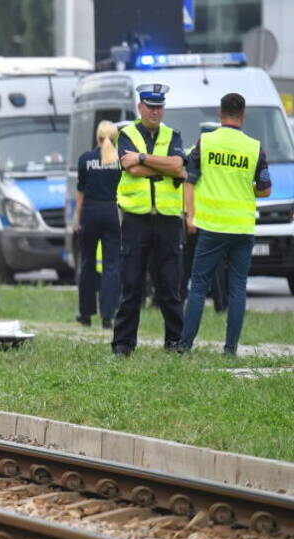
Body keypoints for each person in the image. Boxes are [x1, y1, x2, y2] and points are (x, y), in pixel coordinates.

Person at [177, 93, 271, 355]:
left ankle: (185, 346)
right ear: (243, 115)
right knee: (238, 287)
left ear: (220, 114)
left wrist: (190, 216)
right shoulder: (254, 147)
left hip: (212, 226)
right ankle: (230, 349)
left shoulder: (205, 142)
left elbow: (190, 178)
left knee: (198, 286)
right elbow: (265, 189)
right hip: (242, 227)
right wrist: (247, 186)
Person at [111, 84, 187, 356]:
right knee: (132, 284)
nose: (155, 112)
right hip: (136, 219)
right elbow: (128, 166)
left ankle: (175, 342)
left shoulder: (173, 134)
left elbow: (179, 165)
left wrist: (143, 159)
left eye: (159, 107)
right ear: (140, 107)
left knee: (170, 284)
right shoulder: (126, 134)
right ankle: (123, 344)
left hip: (167, 220)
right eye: (150, 106)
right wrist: (164, 167)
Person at [73, 120, 123, 328]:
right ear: (115, 138)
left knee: (87, 263)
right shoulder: (119, 161)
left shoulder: (85, 159)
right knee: (111, 265)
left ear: (97, 137)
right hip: (111, 211)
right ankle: (108, 315)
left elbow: (81, 193)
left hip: (90, 212)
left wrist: (77, 219)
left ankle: (85, 314)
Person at [181, 122, 229, 313]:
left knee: (188, 263)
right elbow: (189, 184)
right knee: (213, 263)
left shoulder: (197, 153)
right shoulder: (201, 154)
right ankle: (220, 304)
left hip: (200, 217)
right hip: (204, 217)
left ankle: (182, 300)